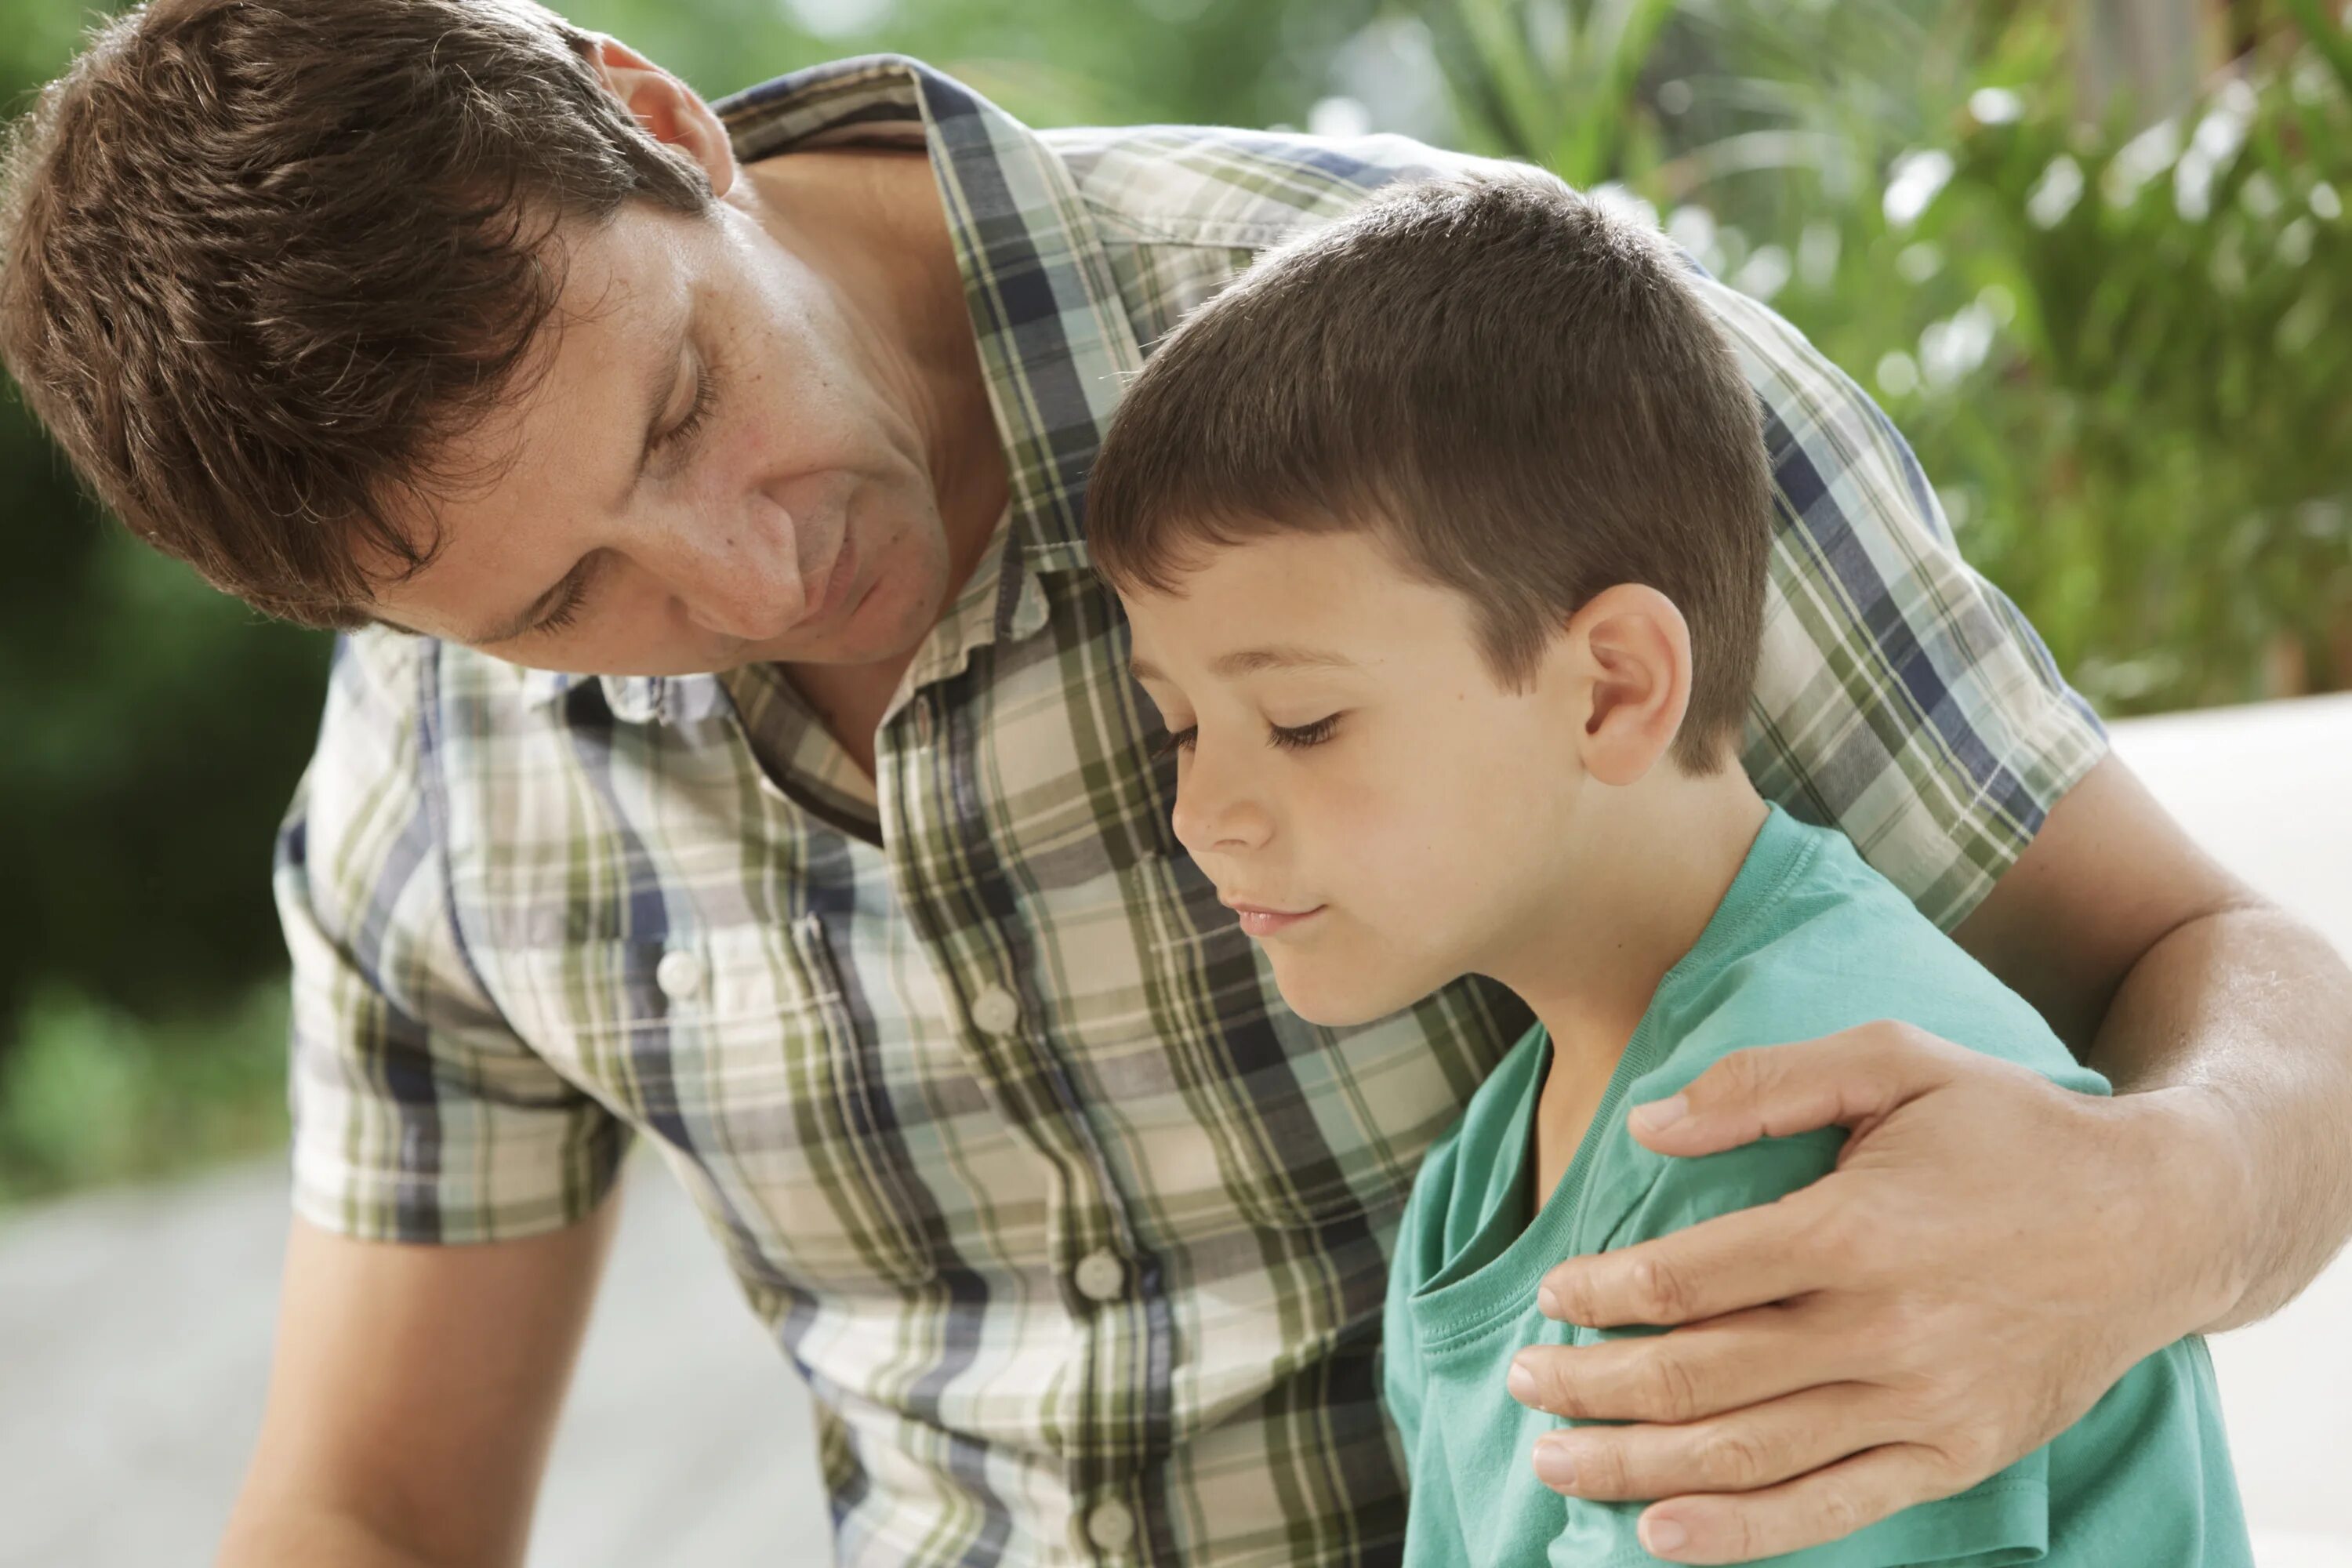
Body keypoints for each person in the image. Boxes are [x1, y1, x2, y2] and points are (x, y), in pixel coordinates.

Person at [1, 2, 2346, 1564]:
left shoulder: (1478, 375)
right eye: (555, 606)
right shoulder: (435, 771)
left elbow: (2228, 982)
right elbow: (375, 1517)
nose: (747, 571)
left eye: (679, 407)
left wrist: (2157, 1210)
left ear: (658, 120)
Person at [1083, 172, 2254, 1567]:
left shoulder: (1784, 1134)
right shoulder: (1487, 1172)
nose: (1203, 811)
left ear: (1611, 689)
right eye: (1179, 728)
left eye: (1301, 723)